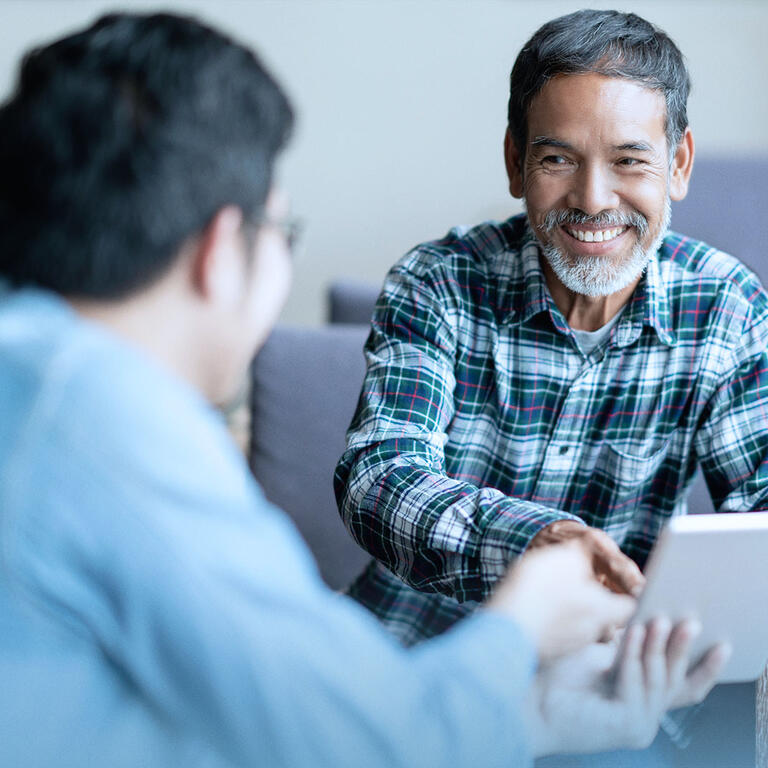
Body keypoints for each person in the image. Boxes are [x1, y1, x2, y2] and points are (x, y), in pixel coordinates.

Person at [0, 11, 726, 768]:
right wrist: (524, 619)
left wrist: (539, 712)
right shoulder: (117, 432)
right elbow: (360, 738)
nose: (593, 196)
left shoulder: (34, 375)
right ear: (223, 250)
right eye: (284, 235)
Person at [334, 8, 764, 766]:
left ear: (680, 163)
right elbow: (379, 479)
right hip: (415, 660)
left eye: (630, 160)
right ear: (514, 162)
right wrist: (536, 542)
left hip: (616, 683)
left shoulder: (726, 307)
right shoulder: (439, 284)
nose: (594, 200)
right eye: (559, 159)